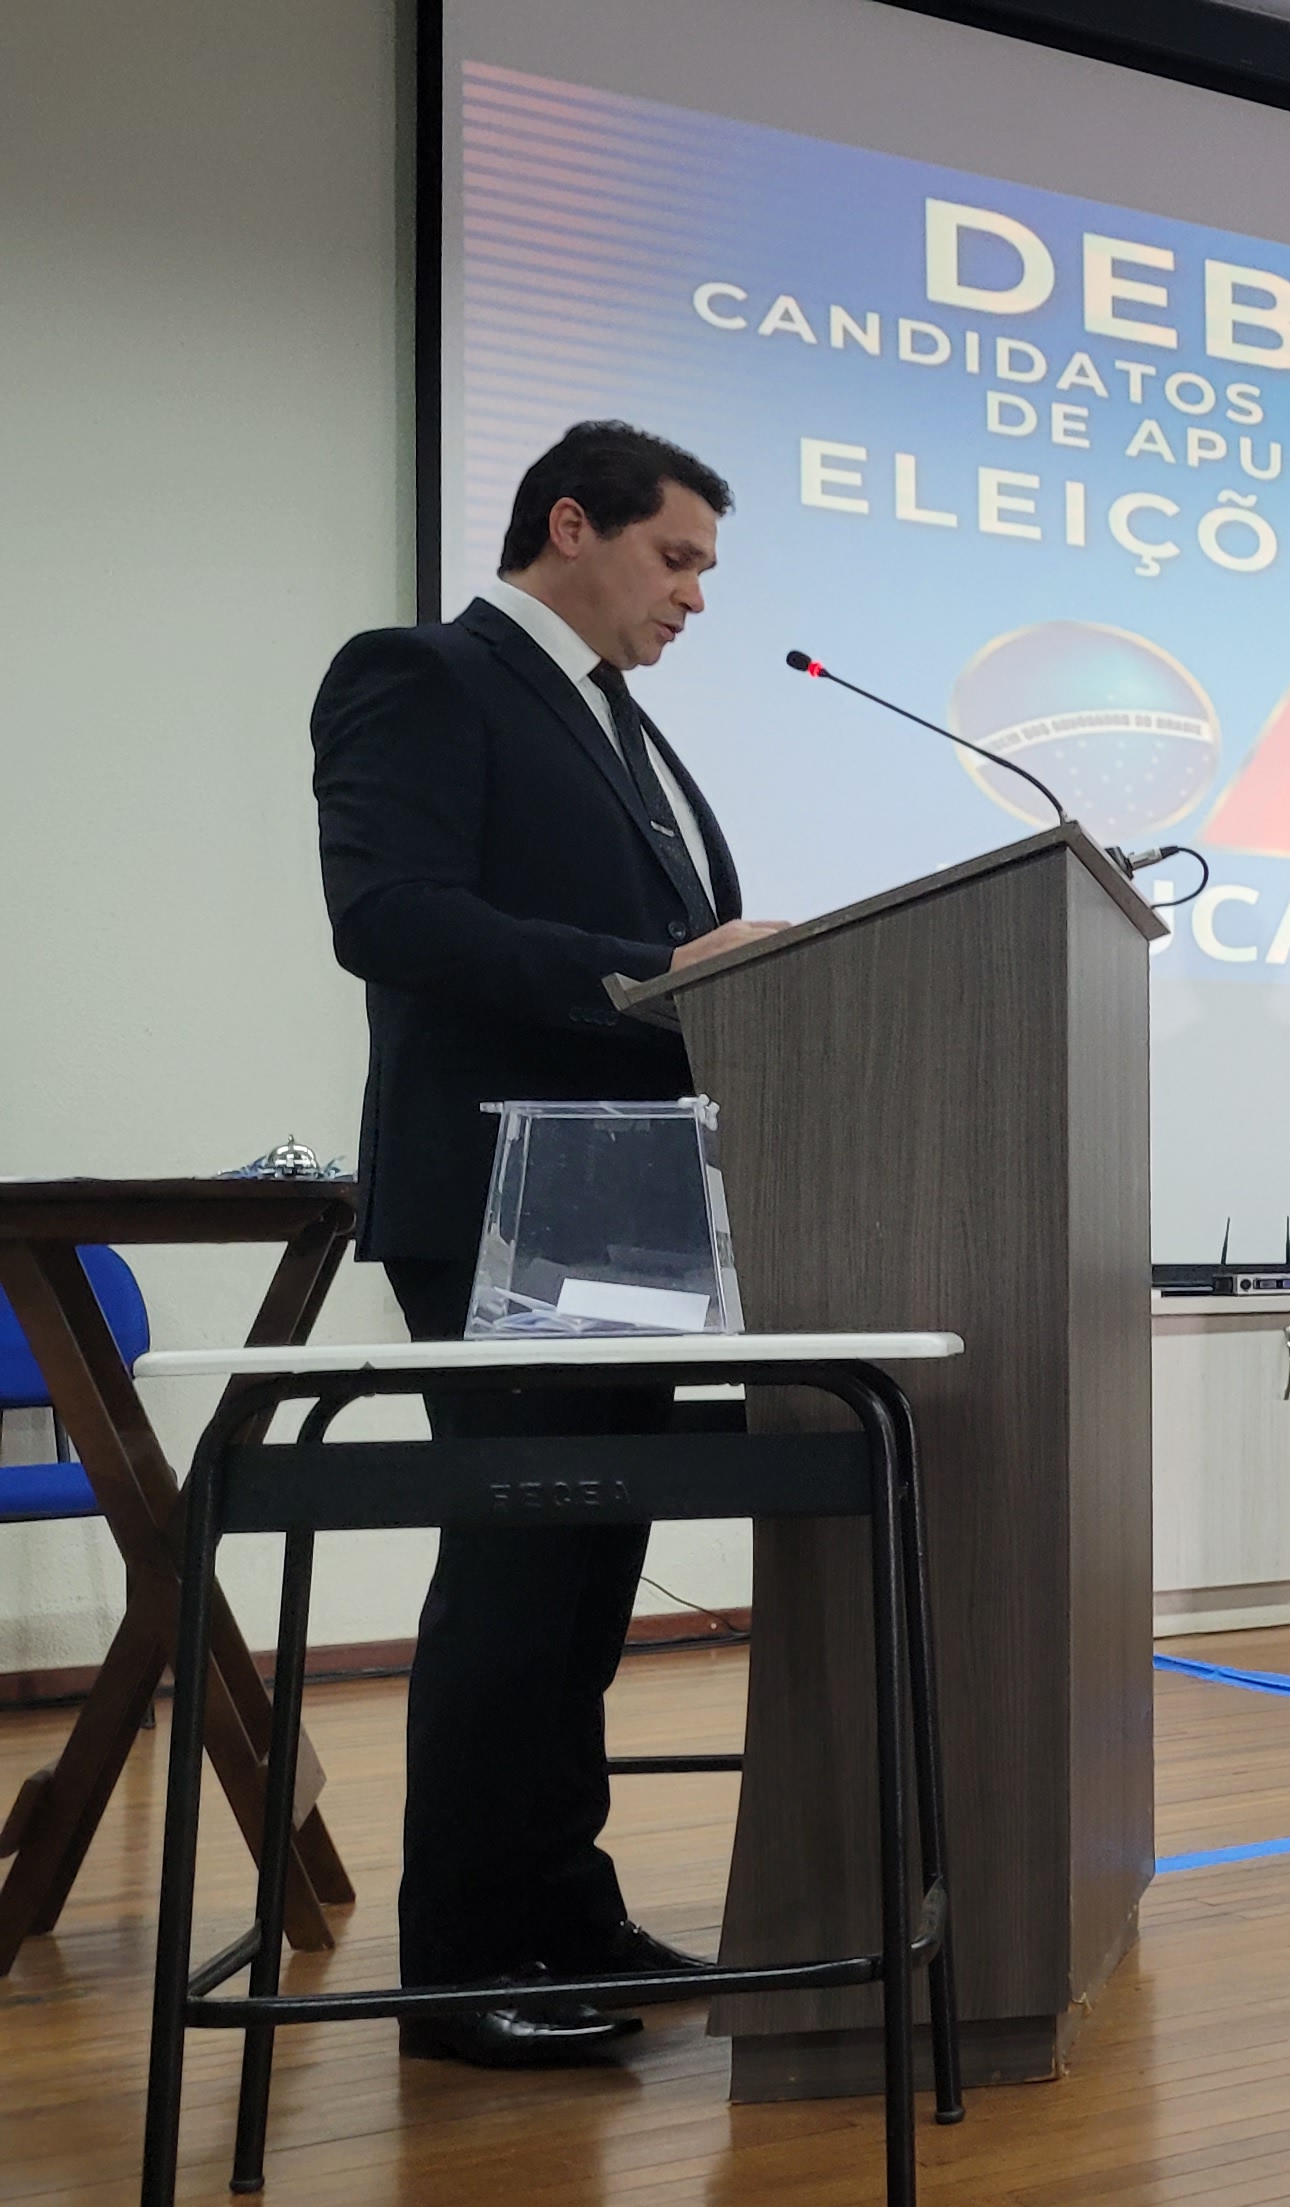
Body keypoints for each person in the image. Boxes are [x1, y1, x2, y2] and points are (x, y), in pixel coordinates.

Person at [313, 420, 783, 2068]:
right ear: (567, 524)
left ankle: (562, 1903)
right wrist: (656, 968)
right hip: (503, 1194)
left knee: (588, 1579)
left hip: (632, 1202)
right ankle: (457, 1958)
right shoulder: (422, 674)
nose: (695, 596)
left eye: (707, 570)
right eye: (675, 558)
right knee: (517, 1572)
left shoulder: (617, 724)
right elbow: (387, 913)